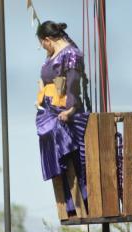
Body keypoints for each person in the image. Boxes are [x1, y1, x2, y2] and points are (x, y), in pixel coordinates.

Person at [35, 20, 91, 217]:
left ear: (48, 40)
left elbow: (73, 83)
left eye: (42, 43)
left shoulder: (71, 55)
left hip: (67, 112)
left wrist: (70, 109)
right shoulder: (52, 56)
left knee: (74, 157)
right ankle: (69, 205)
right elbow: (44, 77)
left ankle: (83, 202)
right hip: (49, 108)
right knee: (51, 142)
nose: (42, 47)